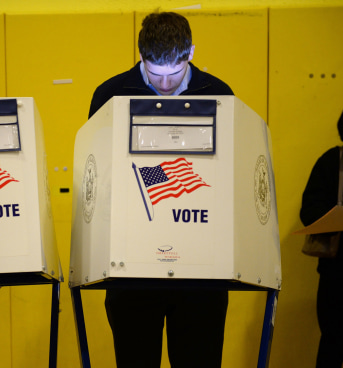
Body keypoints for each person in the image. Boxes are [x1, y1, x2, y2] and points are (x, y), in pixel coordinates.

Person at [88, 12, 234, 367]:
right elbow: (97, 173)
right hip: (131, 264)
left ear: (191, 53)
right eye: (155, 74)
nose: (165, 85)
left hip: (201, 265)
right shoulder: (111, 94)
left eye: (174, 74)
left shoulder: (218, 93)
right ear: (141, 56)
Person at [300, 97, 343, 368]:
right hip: (339, 277)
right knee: (332, 346)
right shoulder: (334, 162)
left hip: (336, 275)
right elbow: (309, 212)